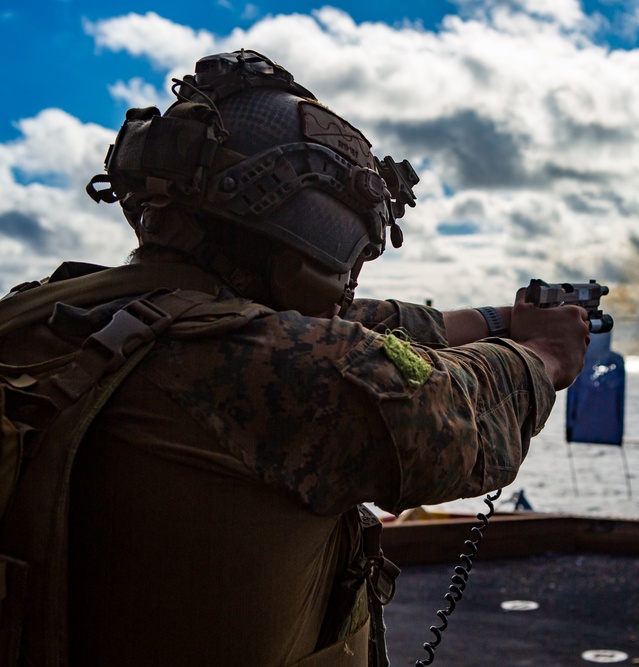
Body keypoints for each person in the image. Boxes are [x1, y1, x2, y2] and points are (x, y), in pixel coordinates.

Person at [0, 50, 589, 666]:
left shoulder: (51, 319)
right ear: (307, 226)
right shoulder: (284, 368)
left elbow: (349, 328)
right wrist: (541, 355)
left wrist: (500, 321)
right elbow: (444, 414)